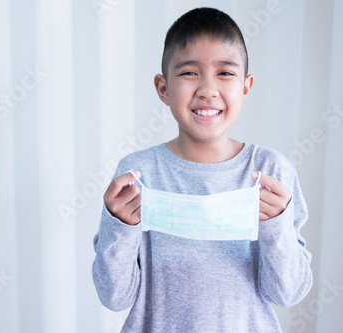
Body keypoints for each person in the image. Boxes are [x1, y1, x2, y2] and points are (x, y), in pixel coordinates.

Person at [92, 7, 312, 332]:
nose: (208, 89)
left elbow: (288, 293)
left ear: (246, 87)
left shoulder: (271, 172)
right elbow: (115, 297)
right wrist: (120, 229)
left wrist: (276, 228)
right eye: (189, 73)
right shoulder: (139, 174)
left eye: (225, 73)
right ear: (163, 88)